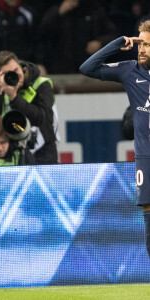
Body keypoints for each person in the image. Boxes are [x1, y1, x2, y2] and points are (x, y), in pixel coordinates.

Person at [79, 20, 150, 257]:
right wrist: (118, 43)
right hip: (146, 157)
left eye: (147, 45)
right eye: (139, 43)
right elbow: (87, 68)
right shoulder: (130, 70)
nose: (141, 49)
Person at [0, 50, 58, 165]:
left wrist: (14, 97)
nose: (16, 75)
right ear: (0, 75)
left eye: (16, 70)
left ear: (20, 65)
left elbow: (41, 118)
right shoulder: (3, 88)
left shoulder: (42, 84)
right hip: (13, 151)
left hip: (43, 151)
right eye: (9, 73)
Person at [38, 0, 117, 74]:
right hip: (60, 69)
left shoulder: (94, 10)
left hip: (88, 67)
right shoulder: (55, 7)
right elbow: (41, 35)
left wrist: (100, 42)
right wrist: (58, 13)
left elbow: (113, 35)